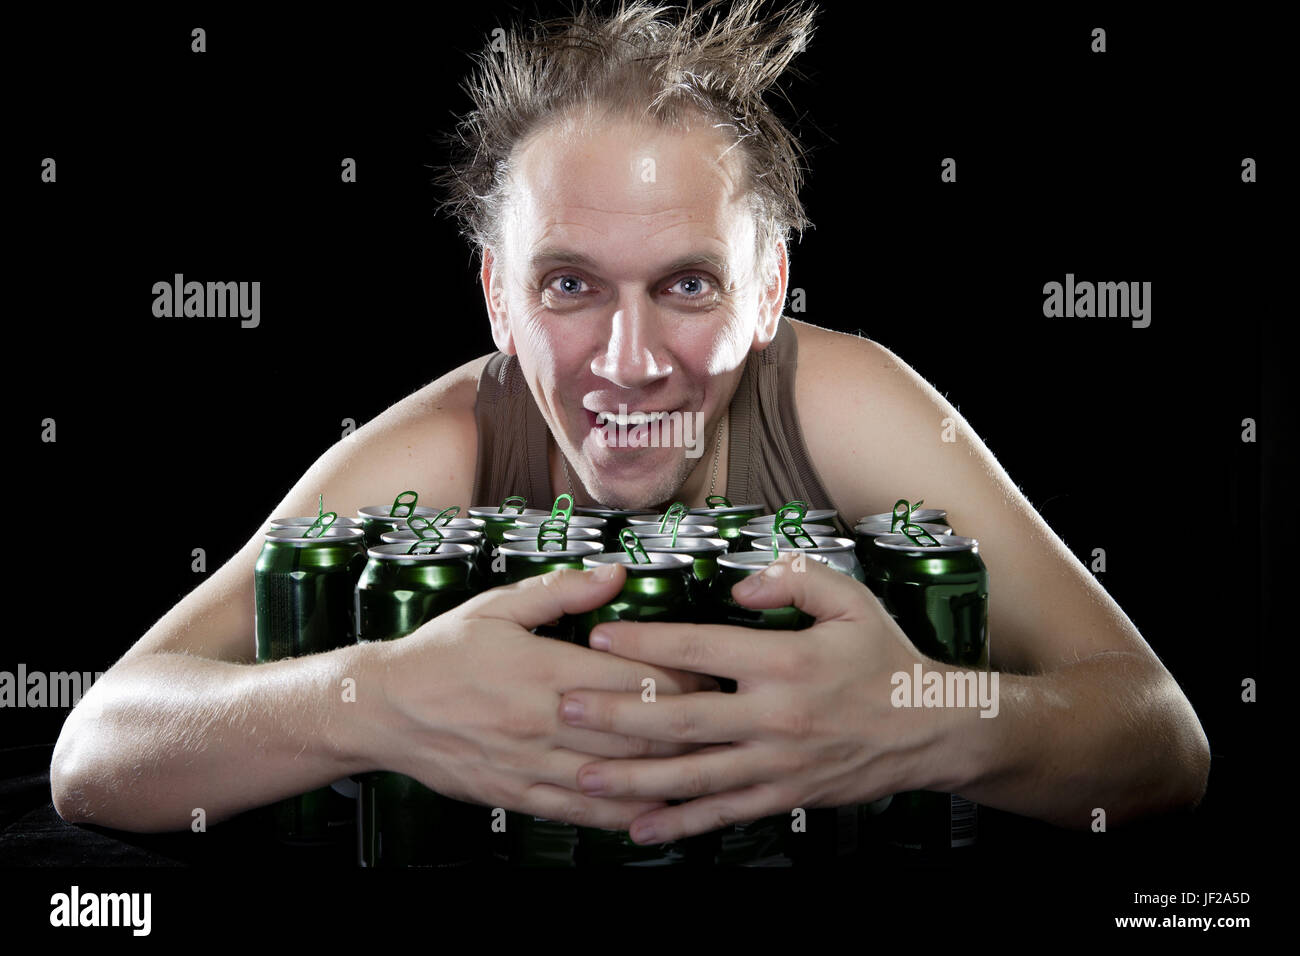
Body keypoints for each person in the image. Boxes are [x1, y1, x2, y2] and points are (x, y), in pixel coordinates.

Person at [50, 0, 1208, 844]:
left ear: (766, 292)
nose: (628, 362)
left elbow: (1157, 734)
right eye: (569, 285)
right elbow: (101, 744)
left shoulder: (847, 399)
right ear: (499, 297)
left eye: (688, 285)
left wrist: (933, 713)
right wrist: (375, 694)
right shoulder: (442, 440)